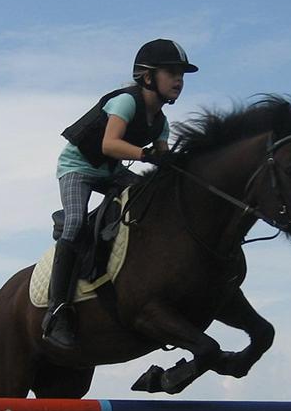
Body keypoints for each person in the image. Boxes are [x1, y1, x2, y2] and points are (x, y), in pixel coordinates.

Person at [42, 39, 199, 351]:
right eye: (172, 72)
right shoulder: (126, 102)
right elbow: (109, 145)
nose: (179, 80)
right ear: (148, 77)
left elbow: (162, 163)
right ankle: (56, 312)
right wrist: (146, 154)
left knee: (148, 199)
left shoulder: (162, 123)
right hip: (79, 168)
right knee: (75, 224)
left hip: (111, 172)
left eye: (182, 74)